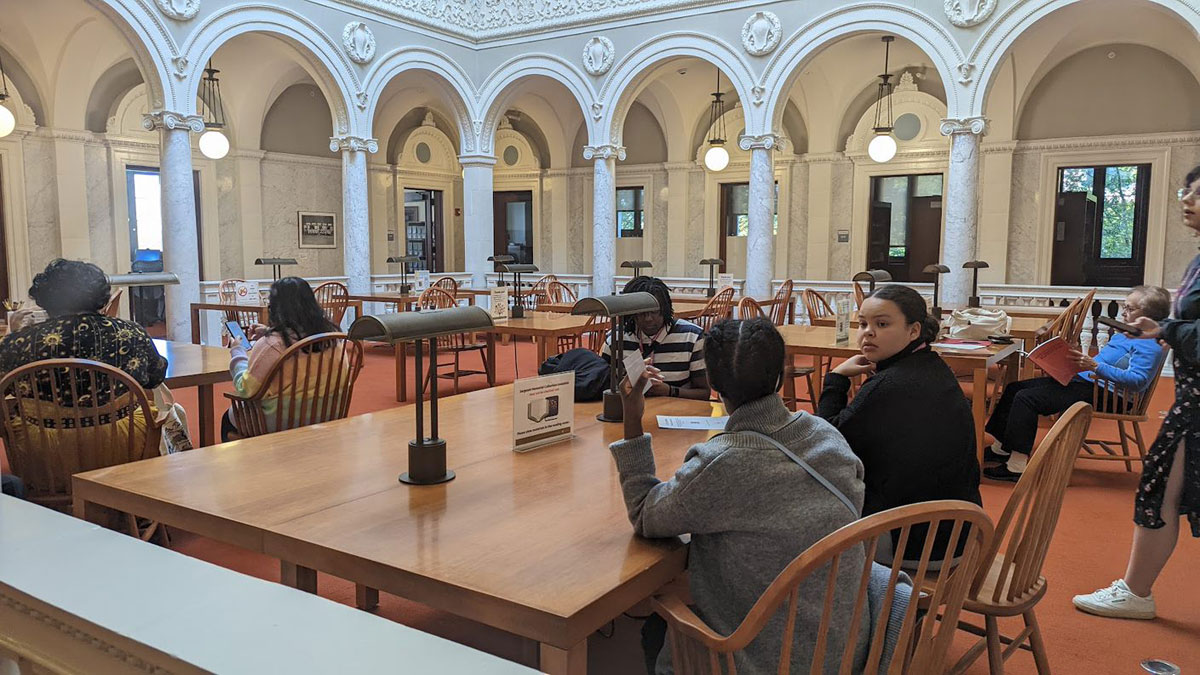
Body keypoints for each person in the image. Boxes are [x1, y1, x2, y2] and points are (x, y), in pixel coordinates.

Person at [610, 317, 868, 674]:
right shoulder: (824, 434)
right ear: (781, 376)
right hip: (842, 639)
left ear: (713, 383)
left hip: (765, 658)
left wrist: (632, 420)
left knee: (653, 625)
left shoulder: (722, 464)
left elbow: (645, 515)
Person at [1073, 166, 1200, 620]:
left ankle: (1136, 592)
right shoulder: (1198, 259)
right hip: (1190, 397)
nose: (1186, 198)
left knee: (1160, 488)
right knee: (1162, 488)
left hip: (1195, 402)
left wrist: (1170, 330)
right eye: (1187, 189)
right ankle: (1136, 589)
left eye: (1198, 193)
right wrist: (1166, 329)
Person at [817, 284, 980, 561]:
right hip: (957, 530)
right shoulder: (932, 366)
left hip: (915, 540)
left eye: (882, 324)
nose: (868, 332)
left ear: (914, 330)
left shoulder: (892, 384)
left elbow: (826, 442)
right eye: (863, 323)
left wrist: (836, 378)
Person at [983, 286, 1170, 481]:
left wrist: (1094, 366)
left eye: (1130, 309)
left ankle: (1016, 465)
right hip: (1091, 383)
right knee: (1015, 388)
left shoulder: (1149, 344)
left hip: (1111, 395)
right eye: (1125, 306)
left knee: (1027, 399)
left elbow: (1138, 382)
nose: (1123, 312)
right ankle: (1001, 448)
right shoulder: (1129, 333)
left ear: (1149, 316)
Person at [0, 259, 167, 396]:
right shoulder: (131, 333)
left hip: (42, 435)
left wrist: (11, 332)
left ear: (44, 298)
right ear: (101, 295)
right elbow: (155, 377)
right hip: (123, 433)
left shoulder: (21, 342)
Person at [220, 277, 339, 441]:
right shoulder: (334, 339)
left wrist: (237, 352)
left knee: (227, 418)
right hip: (328, 412)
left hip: (281, 421)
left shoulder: (272, 345)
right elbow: (299, 339)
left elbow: (246, 389)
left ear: (275, 309)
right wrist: (271, 331)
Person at [601, 276, 710, 400]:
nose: (648, 318)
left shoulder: (692, 337)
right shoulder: (616, 338)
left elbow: (704, 393)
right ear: (631, 312)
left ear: (665, 309)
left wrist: (669, 391)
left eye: (654, 311)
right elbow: (604, 385)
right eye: (641, 312)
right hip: (628, 410)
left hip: (675, 412)